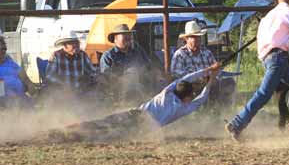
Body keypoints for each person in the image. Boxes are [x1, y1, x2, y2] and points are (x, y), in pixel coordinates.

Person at [226, 0, 289, 141]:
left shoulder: (269, 16)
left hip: (269, 57)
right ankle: (237, 124)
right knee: (264, 93)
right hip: (278, 58)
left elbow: (261, 38)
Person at [44, 63, 222, 142]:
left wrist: (208, 70)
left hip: (135, 114)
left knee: (102, 123)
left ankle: (68, 130)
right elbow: (202, 98)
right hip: (143, 127)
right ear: (187, 97)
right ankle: (74, 135)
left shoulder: (166, 94)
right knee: (108, 134)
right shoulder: (183, 108)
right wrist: (211, 79)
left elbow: (186, 78)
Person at [99, 24, 157, 101]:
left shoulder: (138, 51)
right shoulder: (108, 56)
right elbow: (106, 76)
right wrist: (124, 80)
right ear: (115, 38)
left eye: (129, 35)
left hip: (140, 90)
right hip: (117, 94)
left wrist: (157, 75)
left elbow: (149, 67)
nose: (128, 37)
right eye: (124, 35)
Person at [0, 36, 34, 108]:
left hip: (22, 102)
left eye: (5, 49)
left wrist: (29, 91)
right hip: (6, 106)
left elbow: (27, 81)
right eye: (1, 49)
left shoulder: (10, 63)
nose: (4, 51)